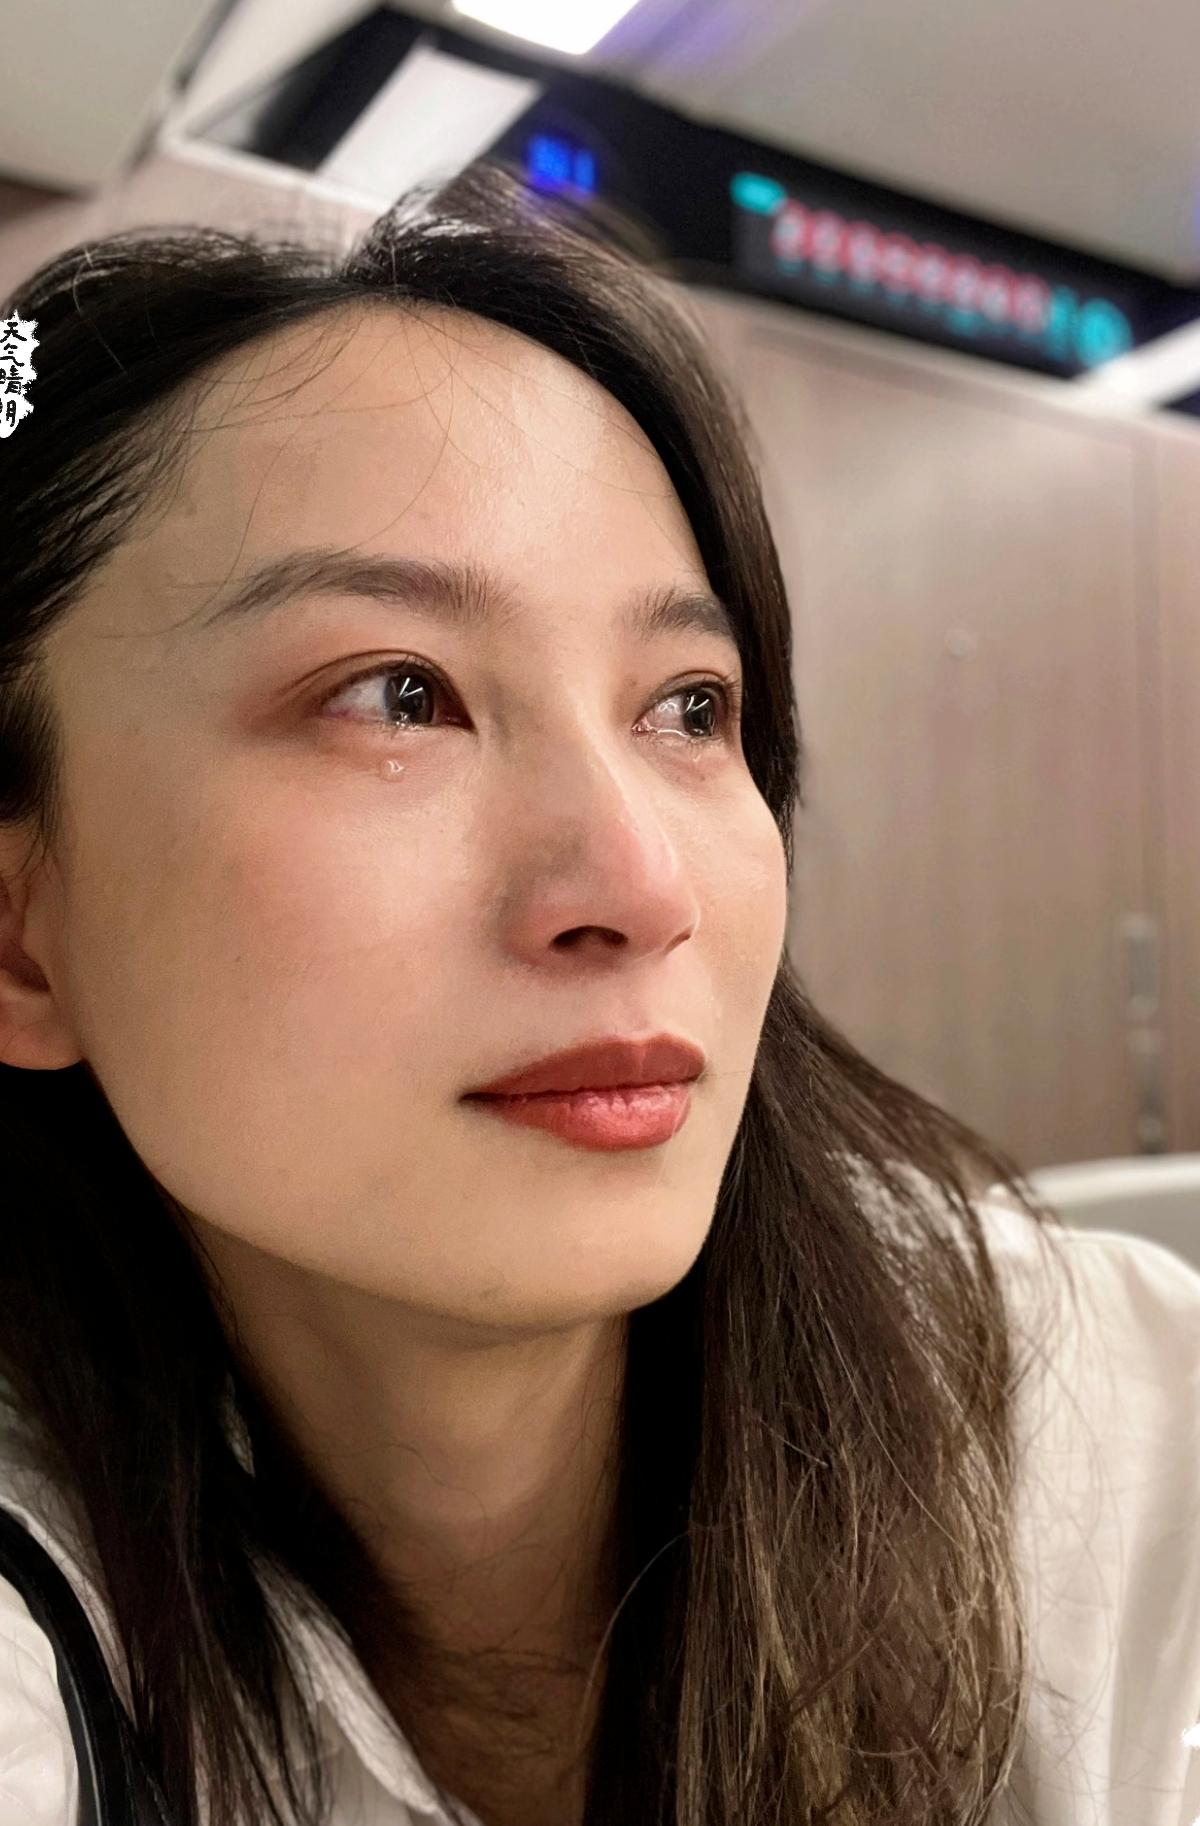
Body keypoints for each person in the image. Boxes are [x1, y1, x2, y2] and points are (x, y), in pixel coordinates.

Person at [0, 159, 1197, 1826]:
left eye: (690, 707)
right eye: (396, 694)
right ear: (22, 933)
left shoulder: (1118, 1450)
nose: (638, 886)